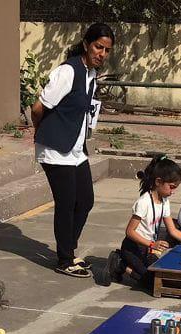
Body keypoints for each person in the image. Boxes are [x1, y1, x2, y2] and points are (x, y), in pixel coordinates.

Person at [31, 23, 114, 278]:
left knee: (85, 200)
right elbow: (38, 107)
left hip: (76, 150)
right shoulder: (68, 71)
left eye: (107, 50)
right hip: (56, 150)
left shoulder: (91, 75)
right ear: (87, 44)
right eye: (98, 47)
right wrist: (42, 133)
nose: (102, 53)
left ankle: (68, 249)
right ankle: (65, 259)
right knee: (66, 203)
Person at [102, 155, 181, 290]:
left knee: (161, 277)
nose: (173, 192)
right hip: (133, 248)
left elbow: (173, 230)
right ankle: (119, 263)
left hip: (148, 249)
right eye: (171, 187)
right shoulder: (144, 202)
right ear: (158, 181)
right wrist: (152, 244)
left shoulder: (164, 201)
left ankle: (126, 265)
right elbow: (130, 231)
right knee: (152, 283)